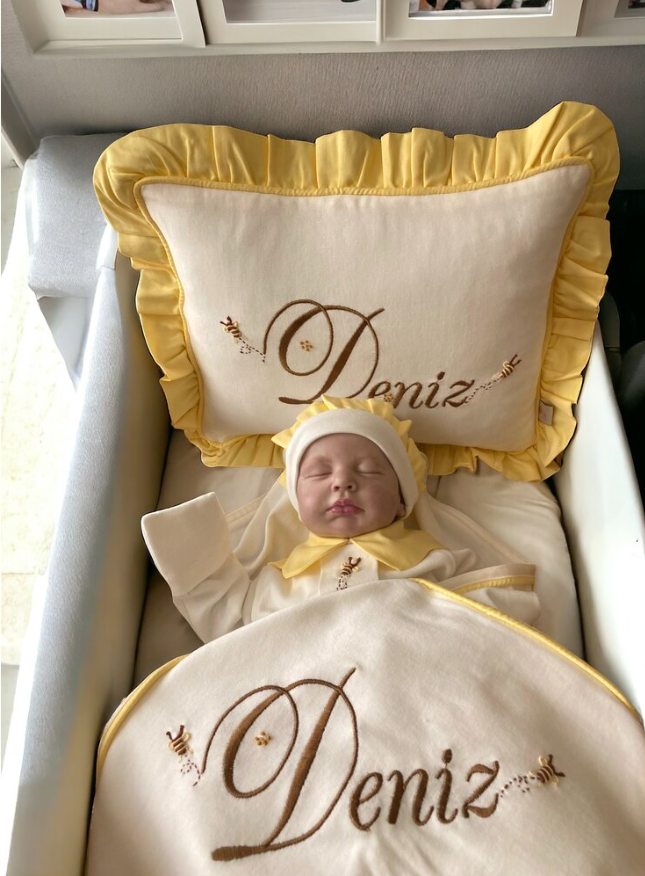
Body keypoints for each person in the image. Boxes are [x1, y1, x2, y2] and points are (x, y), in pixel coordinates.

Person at [142, 396, 538, 643]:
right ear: (296, 504)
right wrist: (198, 554)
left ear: (403, 500)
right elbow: (232, 633)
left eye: (368, 470)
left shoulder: (435, 560)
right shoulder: (275, 580)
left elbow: (485, 620)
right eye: (319, 473)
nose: (343, 482)